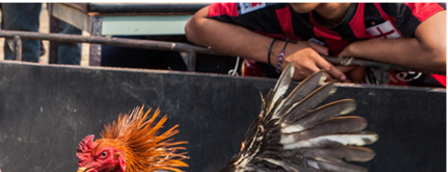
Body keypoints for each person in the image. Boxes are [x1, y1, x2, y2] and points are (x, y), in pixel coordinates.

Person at [185, 1, 448, 87]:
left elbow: (442, 50)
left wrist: (357, 51)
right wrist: (281, 53)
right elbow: (198, 26)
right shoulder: (276, 6)